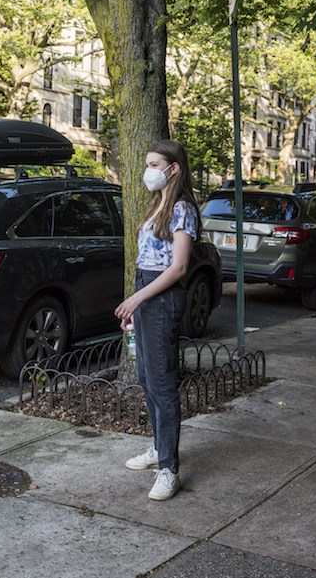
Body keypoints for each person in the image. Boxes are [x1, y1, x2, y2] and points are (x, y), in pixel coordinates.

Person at [114, 139, 199, 502]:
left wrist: (137, 298)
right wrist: (136, 302)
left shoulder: (182, 209)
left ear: (173, 168)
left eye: (154, 163)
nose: (148, 170)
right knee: (148, 377)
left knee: (162, 385)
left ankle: (169, 469)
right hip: (145, 291)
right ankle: (158, 448)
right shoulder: (157, 204)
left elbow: (178, 267)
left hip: (161, 297)